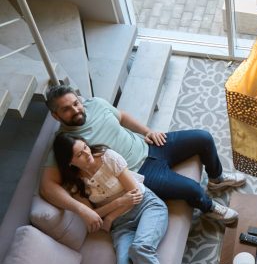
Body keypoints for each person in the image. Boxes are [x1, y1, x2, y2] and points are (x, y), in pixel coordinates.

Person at [53, 132, 202, 264]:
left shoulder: (108, 157)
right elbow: (96, 217)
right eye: (80, 154)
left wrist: (110, 215)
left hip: (147, 207)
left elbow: (135, 193)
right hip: (122, 227)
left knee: (140, 249)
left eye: (85, 147)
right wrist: (117, 205)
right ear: (70, 162)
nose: (87, 154)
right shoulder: (76, 186)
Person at [41, 85, 245, 233]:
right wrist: (82, 210)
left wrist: (148, 131)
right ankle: (209, 208)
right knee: (192, 189)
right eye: (66, 109)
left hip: (149, 146)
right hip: (140, 172)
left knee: (203, 138)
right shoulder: (65, 144)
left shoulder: (95, 104)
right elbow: (47, 187)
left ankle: (216, 179)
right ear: (56, 116)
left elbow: (121, 117)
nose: (76, 110)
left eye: (76, 103)